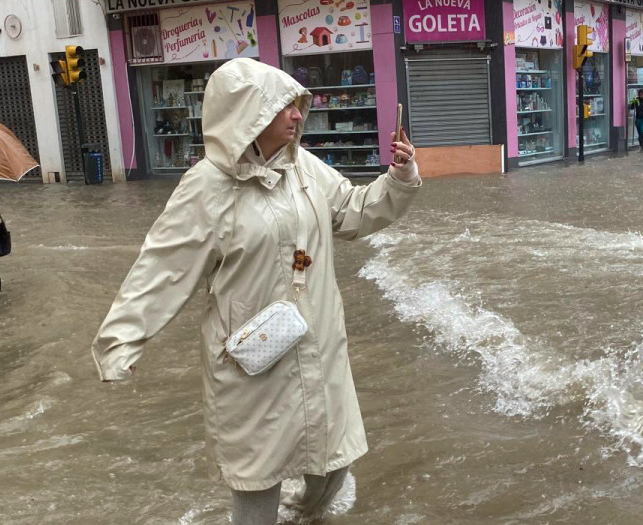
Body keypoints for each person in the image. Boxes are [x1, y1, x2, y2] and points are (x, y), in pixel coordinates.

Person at [90, 58, 420, 525]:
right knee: (257, 480)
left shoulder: (302, 167)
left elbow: (352, 212)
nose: (298, 115)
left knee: (335, 460)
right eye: (285, 106)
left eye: (297, 106)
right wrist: (121, 340)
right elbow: (163, 267)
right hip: (254, 360)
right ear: (248, 113)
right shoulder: (207, 187)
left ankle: (305, 516)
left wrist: (397, 179)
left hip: (318, 344)